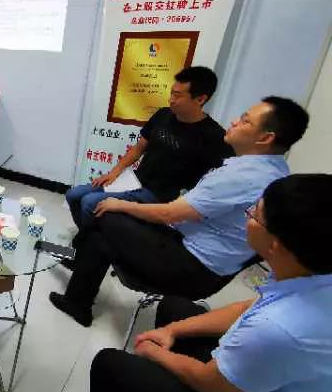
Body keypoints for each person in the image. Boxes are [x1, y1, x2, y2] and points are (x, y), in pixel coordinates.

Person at [49, 174, 332, 392]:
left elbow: (210, 382)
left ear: (276, 245)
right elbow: (250, 307)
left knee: (110, 366)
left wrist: (156, 353)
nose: (248, 215)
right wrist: (174, 331)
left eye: (255, 214)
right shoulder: (310, 273)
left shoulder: (278, 328)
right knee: (175, 310)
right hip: (274, 388)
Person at [51, 96, 309, 327]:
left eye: (245, 120)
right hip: (201, 257)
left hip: (189, 265)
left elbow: (170, 214)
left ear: (265, 138)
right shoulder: (276, 171)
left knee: (103, 212)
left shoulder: (240, 174)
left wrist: (119, 204)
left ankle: (77, 273)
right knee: (100, 232)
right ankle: (77, 300)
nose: (234, 122)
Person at [66, 66, 231, 231]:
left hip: (160, 196)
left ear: (200, 99)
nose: (171, 99)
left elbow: (212, 183)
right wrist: (115, 172)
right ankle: (88, 235)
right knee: (74, 194)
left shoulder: (214, 136)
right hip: (134, 181)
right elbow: (138, 148)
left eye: (177, 95)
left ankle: (90, 240)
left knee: (89, 202)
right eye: (172, 93)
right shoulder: (163, 115)